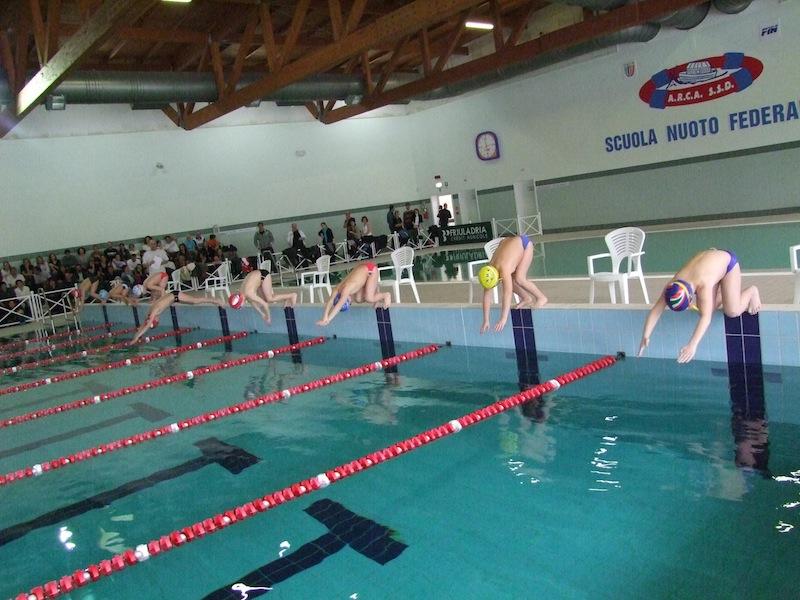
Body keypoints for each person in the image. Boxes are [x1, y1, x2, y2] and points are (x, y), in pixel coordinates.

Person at [638, 249, 761, 363]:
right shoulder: (672, 286)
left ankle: (752, 291)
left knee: (732, 311)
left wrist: (692, 345)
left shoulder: (703, 285)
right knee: (705, 308)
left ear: (691, 297)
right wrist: (646, 335)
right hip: (711, 261)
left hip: (728, 263)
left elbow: (706, 318)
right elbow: (656, 310)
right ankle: (727, 293)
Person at [479, 234, 548, 333]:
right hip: (509, 244)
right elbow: (487, 296)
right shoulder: (488, 271)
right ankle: (526, 298)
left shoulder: (504, 270)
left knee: (520, 278)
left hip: (524, 244)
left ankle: (541, 298)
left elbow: (507, 294)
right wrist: (486, 320)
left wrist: (503, 319)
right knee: (509, 281)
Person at [132, 290, 226, 343]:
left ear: (154, 320)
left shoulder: (154, 311)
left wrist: (137, 337)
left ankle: (216, 300)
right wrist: (136, 335)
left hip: (175, 295)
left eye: (157, 321)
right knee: (193, 302)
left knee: (195, 301)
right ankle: (215, 300)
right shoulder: (150, 313)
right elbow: (144, 324)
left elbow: (147, 325)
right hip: (172, 297)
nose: (158, 319)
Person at [316, 262, 391, 326]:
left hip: (370, 269)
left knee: (369, 298)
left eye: (349, 302)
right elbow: (330, 301)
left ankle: (385, 295)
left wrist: (328, 320)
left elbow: (339, 305)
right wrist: (325, 317)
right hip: (363, 268)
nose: (350, 302)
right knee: (358, 299)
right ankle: (376, 296)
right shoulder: (337, 289)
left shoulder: (346, 290)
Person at [229, 267, 297, 324]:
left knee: (269, 299)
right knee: (265, 299)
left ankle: (292, 295)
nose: (241, 307)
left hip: (263, 275)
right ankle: (285, 298)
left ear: (240, 302)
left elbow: (265, 305)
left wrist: (268, 318)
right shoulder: (242, 293)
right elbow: (252, 302)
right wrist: (262, 314)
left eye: (240, 307)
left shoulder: (249, 294)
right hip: (256, 275)